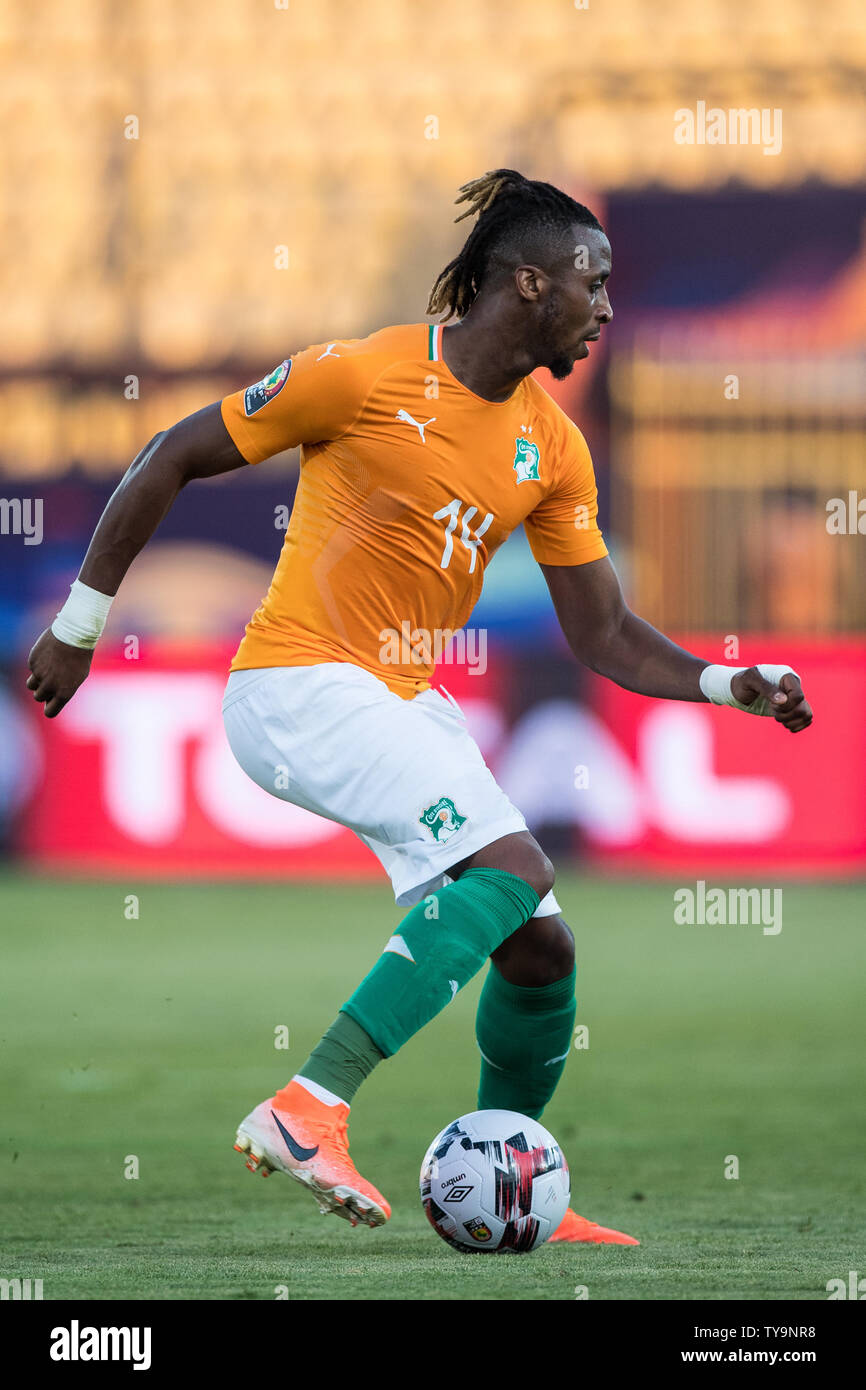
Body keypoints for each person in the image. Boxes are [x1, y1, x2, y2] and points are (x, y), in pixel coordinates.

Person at [27, 170, 812, 1245]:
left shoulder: (553, 447)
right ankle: (308, 1104)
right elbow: (173, 454)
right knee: (512, 867)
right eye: (593, 281)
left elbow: (603, 634)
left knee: (541, 945)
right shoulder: (360, 374)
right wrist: (80, 625)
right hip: (297, 683)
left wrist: (728, 684)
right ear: (526, 282)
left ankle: (511, 1175)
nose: (607, 306)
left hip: (397, 698)